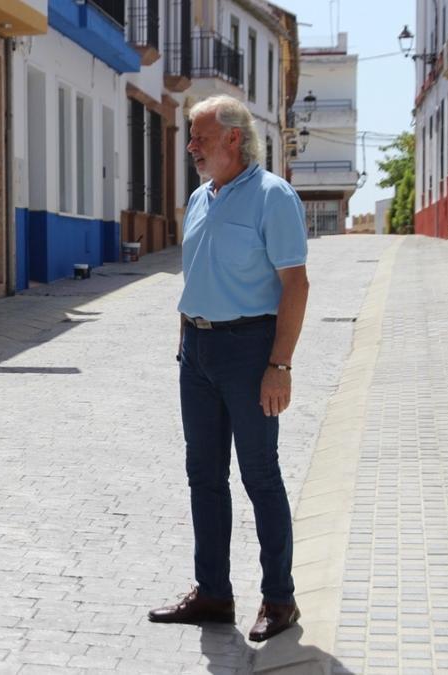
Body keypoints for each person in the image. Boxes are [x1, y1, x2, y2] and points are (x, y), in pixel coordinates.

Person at [147, 95, 309, 642]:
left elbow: (296, 286)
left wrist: (279, 365)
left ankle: (279, 600)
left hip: (250, 351)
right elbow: (194, 277)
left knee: (260, 475)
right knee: (203, 476)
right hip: (197, 351)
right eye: (191, 137)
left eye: (199, 136)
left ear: (234, 138)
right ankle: (213, 592)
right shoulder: (198, 198)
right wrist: (184, 340)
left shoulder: (273, 196)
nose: (191, 146)